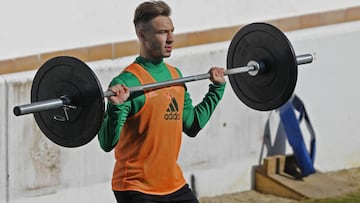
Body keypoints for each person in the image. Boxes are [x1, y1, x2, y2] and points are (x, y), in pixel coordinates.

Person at [98, 1, 226, 202]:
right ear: (142, 35)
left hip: (173, 184)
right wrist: (115, 107)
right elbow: (106, 143)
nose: (171, 39)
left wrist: (216, 89)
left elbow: (192, 125)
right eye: (163, 32)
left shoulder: (175, 76)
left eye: (172, 31)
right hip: (136, 186)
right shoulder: (127, 82)